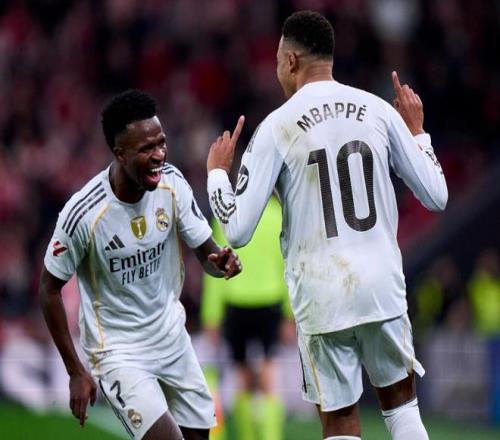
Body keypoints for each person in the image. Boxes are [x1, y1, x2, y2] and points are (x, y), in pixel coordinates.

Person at [206, 10, 447, 440]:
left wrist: (217, 177)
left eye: (278, 61)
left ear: (291, 61)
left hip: (322, 294)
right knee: (401, 407)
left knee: (339, 422)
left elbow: (237, 230)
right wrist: (419, 134)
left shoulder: (277, 126)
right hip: (381, 285)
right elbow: (437, 195)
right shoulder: (378, 109)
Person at [39, 89, 242, 440]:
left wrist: (221, 263)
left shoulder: (172, 184)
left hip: (172, 338)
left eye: (161, 143)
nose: (159, 155)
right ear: (120, 154)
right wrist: (74, 370)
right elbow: (48, 289)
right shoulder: (84, 213)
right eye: (147, 149)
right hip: (118, 352)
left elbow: (207, 255)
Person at [201, 196, 292, 440]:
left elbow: (215, 267)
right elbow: (286, 263)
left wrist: (211, 315)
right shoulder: (276, 214)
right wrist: (289, 312)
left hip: (236, 300)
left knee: (241, 373)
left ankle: (248, 437)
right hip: (270, 298)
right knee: (269, 371)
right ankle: (272, 438)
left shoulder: (225, 216)